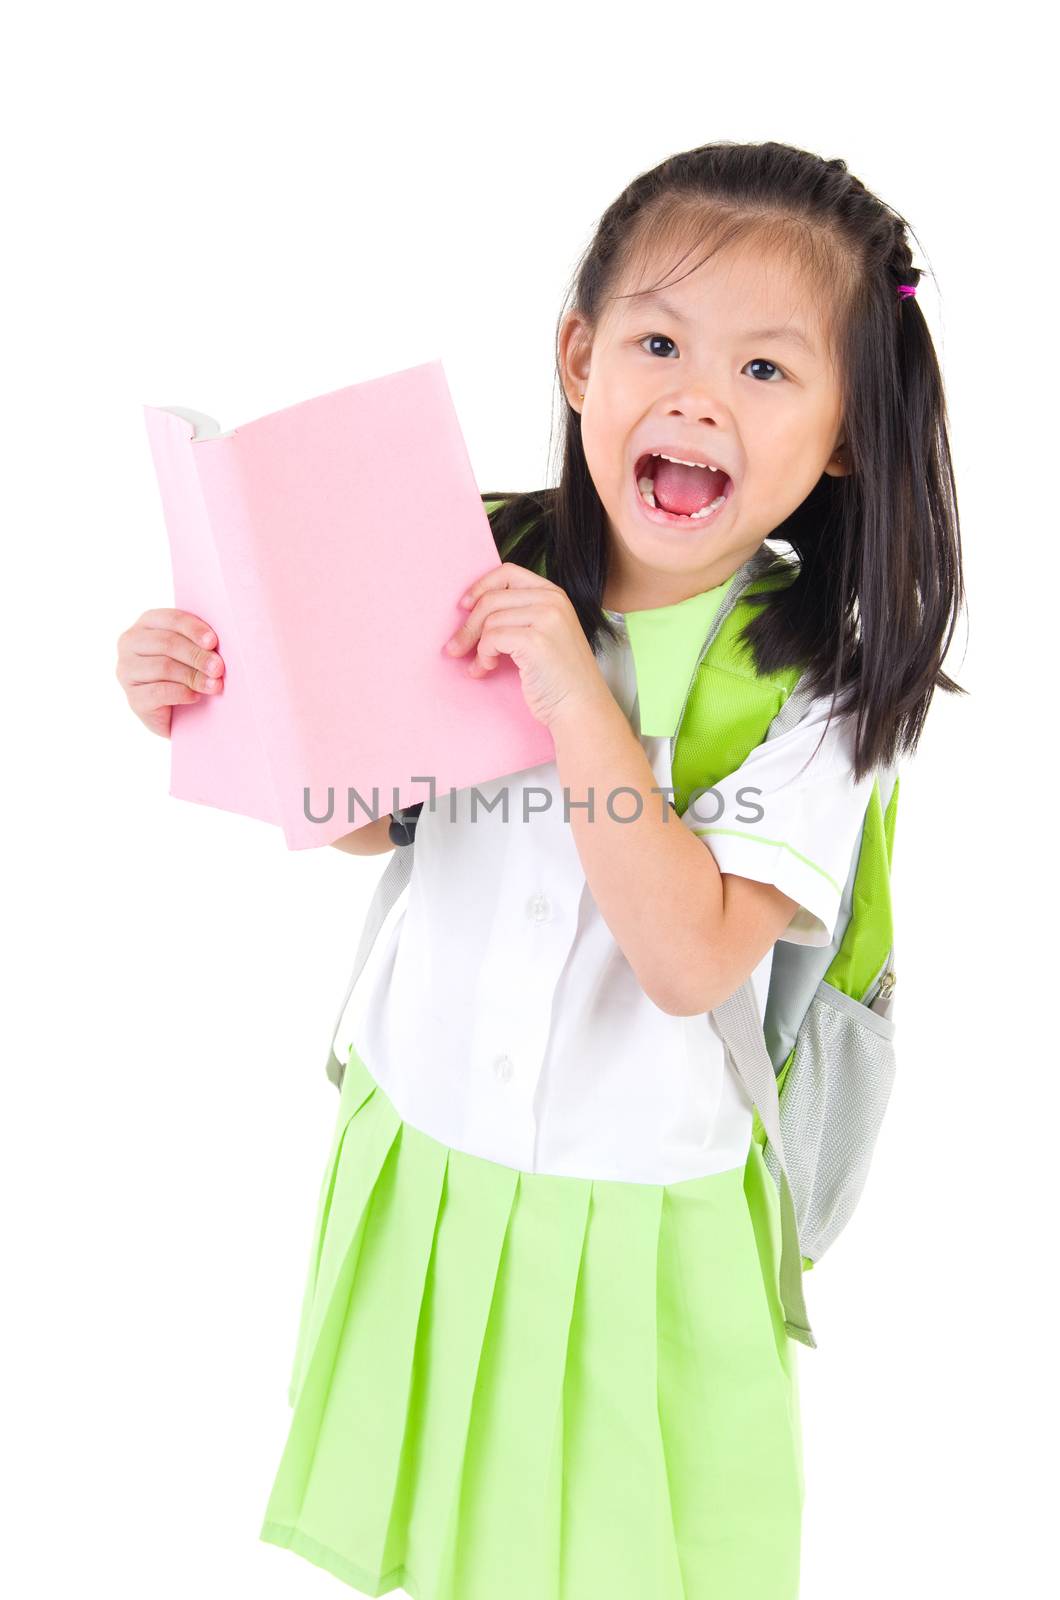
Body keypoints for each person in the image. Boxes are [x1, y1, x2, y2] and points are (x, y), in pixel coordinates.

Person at [115, 139, 965, 1600]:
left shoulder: (822, 689)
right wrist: (218, 698)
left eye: (768, 371)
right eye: (657, 341)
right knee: (444, 1540)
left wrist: (576, 694)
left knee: (618, 1559)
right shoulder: (480, 555)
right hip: (430, 1146)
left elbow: (691, 957)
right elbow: (371, 816)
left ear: (844, 436)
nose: (698, 393)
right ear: (580, 359)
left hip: (636, 1204)